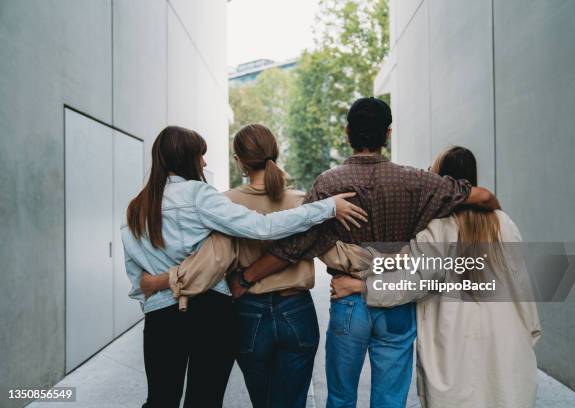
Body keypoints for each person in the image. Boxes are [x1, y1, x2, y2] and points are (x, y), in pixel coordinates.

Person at [230, 98, 501, 408]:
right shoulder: (417, 181)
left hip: (349, 302)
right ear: (387, 134)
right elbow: (483, 196)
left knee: (342, 398)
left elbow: (294, 246)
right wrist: (498, 214)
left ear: (348, 133)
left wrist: (247, 277)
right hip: (397, 303)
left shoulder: (329, 183)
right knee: (390, 400)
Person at [120, 125, 366, 408]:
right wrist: (328, 208)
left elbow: (137, 274)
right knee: (205, 399)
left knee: (160, 399)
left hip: (162, 317)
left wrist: (157, 289)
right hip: (212, 311)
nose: (205, 162)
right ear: (185, 157)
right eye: (201, 155)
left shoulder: (136, 207)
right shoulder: (200, 196)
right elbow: (262, 227)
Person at [331, 146, 542, 408]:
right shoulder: (504, 223)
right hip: (509, 350)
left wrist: (357, 285)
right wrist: (529, 332)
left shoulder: (437, 229)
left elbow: (409, 284)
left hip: (455, 355)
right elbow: (522, 287)